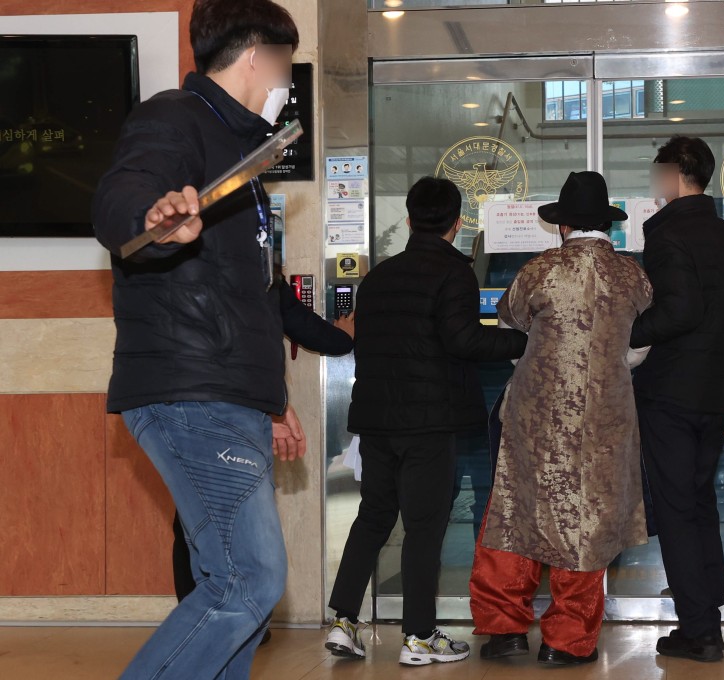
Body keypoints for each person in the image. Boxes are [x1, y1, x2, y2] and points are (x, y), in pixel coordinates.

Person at [92, 1, 303, 677]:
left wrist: (272, 399)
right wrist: (151, 215)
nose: (286, 84)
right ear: (256, 57)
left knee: (234, 592)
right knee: (248, 582)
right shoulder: (173, 119)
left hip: (227, 387)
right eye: (286, 67)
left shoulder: (238, 151)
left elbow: (246, 293)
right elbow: (121, 198)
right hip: (192, 388)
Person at [325, 177, 527, 666]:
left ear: (411, 220)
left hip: (376, 420)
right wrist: (525, 343)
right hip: (428, 423)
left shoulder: (377, 278)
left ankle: (344, 622)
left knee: (373, 517)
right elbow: (464, 342)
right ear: (458, 224)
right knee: (424, 527)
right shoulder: (453, 272)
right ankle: (418, 636)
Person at [469, 171, 653, 666]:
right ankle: (566, 643)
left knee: (515, 512)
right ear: (606, 225)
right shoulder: (632, 276)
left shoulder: (540, 270)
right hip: (606, 419)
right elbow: (639, 347)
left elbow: (512, 331)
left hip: (536, 416)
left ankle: (505, 630)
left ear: (564, 225)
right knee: (586, 523)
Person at [170, 276, 357, 645]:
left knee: (193, 523)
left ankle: (206, 622)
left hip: (186, 412)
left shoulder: (190, 274)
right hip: (237, 416)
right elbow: (310, 332)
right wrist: (344, 336)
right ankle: (240, 621)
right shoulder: (262, 278)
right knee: (238, 521)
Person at [630, 136, 724, 663]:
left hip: (672, 392)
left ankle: (699, 630)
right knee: (701, 503)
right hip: (713, 394)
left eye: (658, 172)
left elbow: (677, 312)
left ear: (676, 175)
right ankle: (709, 611)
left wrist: (626, 331)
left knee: (677, 508)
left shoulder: (668, 236)